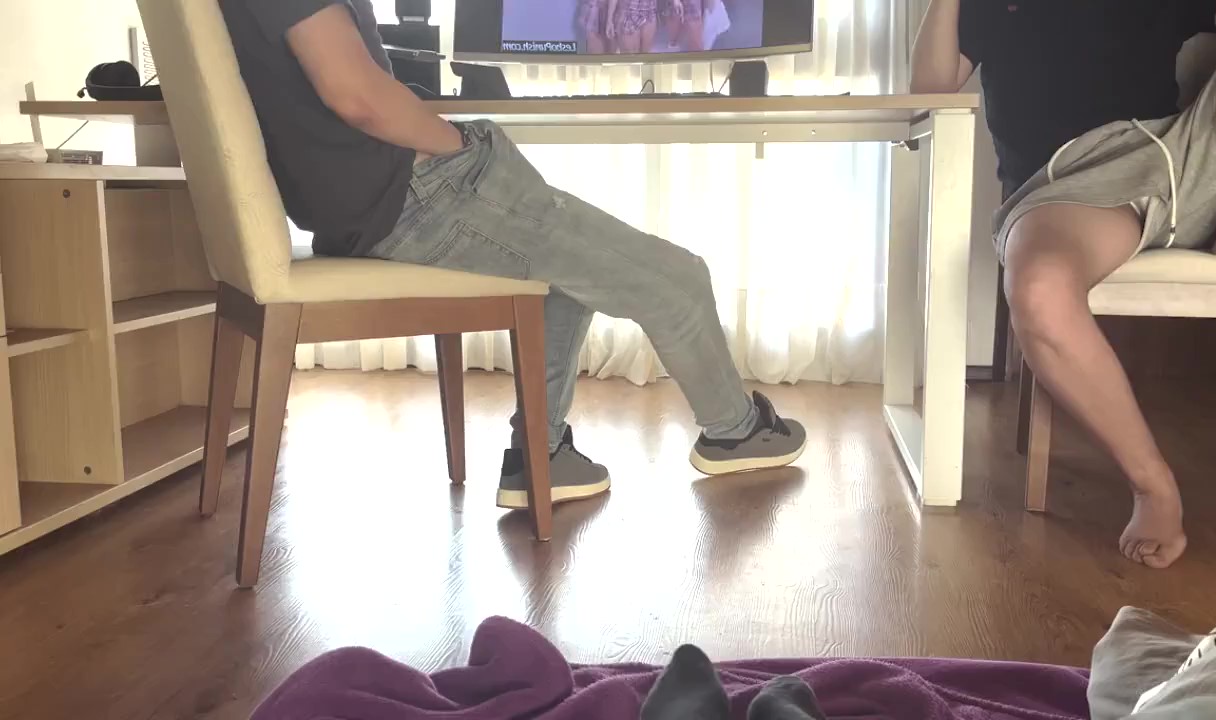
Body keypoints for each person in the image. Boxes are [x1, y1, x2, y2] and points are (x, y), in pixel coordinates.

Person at [217, 0, 807, 512]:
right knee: (679, 279)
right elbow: (356, 96)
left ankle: (539, 457)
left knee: (567, 278)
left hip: (371, 210)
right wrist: (455, 144)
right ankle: (735, 431)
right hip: (416, 198)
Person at [911, 0, 1216, 568]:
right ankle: (1152, 486)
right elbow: (927, 94)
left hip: (1185, 150)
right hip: (1072, 188)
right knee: (1039, 290)